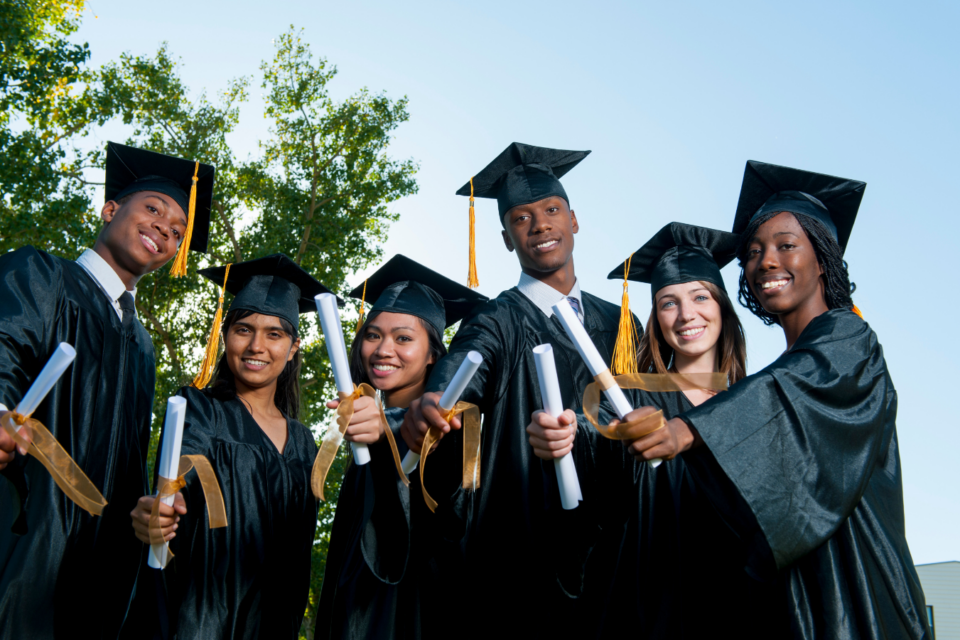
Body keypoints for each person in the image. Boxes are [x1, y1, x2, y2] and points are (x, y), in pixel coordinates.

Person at [624, 161, 931, 638]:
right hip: (799, 596)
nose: (766, 260)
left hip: (857, 583)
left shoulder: (848, 337)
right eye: (753, 251)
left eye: (786, 245)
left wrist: (686, 429)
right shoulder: (783, 365)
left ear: (823, 258)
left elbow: (789, 391)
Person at [400, 142, 643, 638]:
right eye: (521, 218)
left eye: (551, 210)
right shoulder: (496, 317)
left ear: (574, 220)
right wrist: (435, 398)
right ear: (508, 238)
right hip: (526, 537)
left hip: (617, 534)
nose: (540, 225)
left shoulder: (621, 323)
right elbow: (469, 363)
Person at [0, 142, 215, 638]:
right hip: (28, 524)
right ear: (110, 208)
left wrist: (145, 509)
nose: (166, 227)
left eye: (179, 230)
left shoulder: (141, 344)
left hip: (104, 563)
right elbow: (4, 345)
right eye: (154, 208)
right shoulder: (43, 275)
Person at [528, 222, 770, 638]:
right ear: (655, 319)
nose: (686, 314)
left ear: (723, 307)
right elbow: (592, 431)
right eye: (668, 303)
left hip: (738, 605)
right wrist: (563, 434)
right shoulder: (630, 398)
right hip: (642, 606)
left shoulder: (757, 404)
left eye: (700, 297)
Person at [127, 254, 330, 639]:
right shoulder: (198, 408)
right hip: (201, 618)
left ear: (293, 348)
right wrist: (160, 506)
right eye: (244, 330)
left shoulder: (305, 443)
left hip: (276, 623)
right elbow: (179, 470)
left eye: (274, 334)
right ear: (226, 337)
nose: (257, 346)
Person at [315, 254, 487, 640]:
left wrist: (387, 427)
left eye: (404, 338)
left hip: (418, 612)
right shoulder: (362, 425)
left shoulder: (453, 423)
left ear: (432, 356)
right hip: (350, 609)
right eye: (373, 335)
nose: (382, 349)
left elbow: (453, 498)